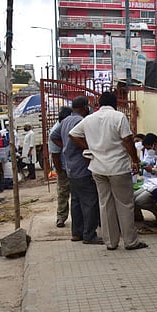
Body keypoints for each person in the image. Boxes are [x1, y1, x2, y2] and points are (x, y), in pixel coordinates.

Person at [68, 91, 148, 251]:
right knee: (125, 204)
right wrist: (135, 159)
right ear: (115, 103)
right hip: (118, 167)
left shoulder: (89, 119)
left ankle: (111, 242)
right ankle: (130, 241)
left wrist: (90, 148)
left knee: (105, 204)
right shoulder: (118, 117)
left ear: (99, 104)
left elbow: (73, 134)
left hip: (97, 167)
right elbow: (127, 139)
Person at [51, 97, 103, 244]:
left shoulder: (66, 120)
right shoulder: (82, 121)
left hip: (70, 168)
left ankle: (77, 233)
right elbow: (78, 139)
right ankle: (89, 235)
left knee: (76, 202)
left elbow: (53, 136)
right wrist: (82, 147)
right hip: (82, 167)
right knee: (90, 202)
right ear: (84, 107)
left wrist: (67, 148)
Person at [49, 105, 74, 227]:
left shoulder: (68, 127)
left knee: (75, 194)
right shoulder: (56, 131)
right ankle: (61, 217)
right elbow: (55, 155)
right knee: (63, 193)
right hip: (63, 167)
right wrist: (59, 172)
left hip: (73, 166)